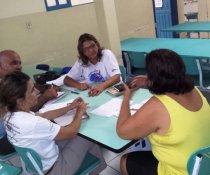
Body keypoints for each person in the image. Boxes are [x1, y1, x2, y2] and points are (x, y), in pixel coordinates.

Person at [116, 49, 210, 175]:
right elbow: (168, 82)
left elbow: (122, 132)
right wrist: (147, 80)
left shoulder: (158, 105)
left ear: (154, 76)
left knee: (125, 160)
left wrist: (127, 97)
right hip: (203, 164)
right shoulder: (195, 90)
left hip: (180, 171)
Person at [0, 71, 106, 175]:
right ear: (19, 101)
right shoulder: (33, 123)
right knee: (88, 137)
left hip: (40, 166)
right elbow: (72, 132)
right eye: (32, 90)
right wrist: (79, 112)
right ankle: (97, 169)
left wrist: (70, 107)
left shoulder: (9, 115)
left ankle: (96, 169)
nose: (37, 92)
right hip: (55, 169)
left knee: (77, 136)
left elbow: (45, 115)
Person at [0, 50, 58, 155]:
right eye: (13, 63)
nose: (19, 66)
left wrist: (43, 88)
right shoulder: (3, 90)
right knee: (52, 123)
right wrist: (45, 97)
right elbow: (23, 111)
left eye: (19, 63)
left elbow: (22, 99)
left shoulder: (7, 84)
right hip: (4, 140)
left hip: (11, 129)